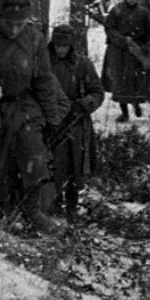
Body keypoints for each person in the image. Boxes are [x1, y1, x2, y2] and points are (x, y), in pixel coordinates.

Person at [0, 0, 67, 232]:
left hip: (23, 104)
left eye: (20, 24)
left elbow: (44, 79)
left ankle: (33, 209)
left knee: (33, 152)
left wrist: (52, 116)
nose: (14, 30)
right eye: (8, 23)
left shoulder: (34, 39)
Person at [47, 24, 104, 222]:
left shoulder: (83, 64)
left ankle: (71, 205)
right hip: (51, 121)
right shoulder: (43, 63)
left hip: (76, 123)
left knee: (75, 167)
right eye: (57, 45)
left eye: (65, 45)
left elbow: (97, 92)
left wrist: (84, 104)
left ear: (71, 46)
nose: (60, 49)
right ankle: (51, 204)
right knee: (51, 164)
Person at [102, 0, 150, 121]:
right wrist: (122, 40)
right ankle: (124, 112)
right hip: (118, 51)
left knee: (137, 79)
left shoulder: (144, 13)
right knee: (120, 81)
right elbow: (109, 29)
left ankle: (137, 103)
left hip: (137, 50)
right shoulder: (116, 10)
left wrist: (147, 47)